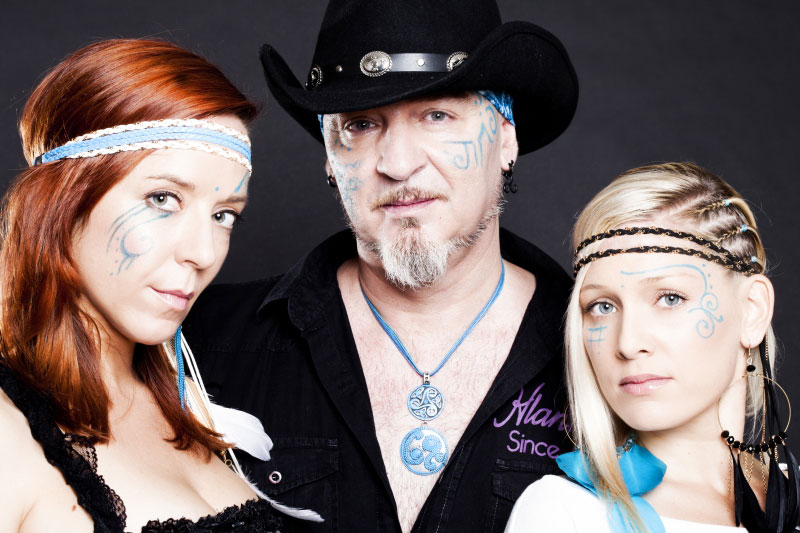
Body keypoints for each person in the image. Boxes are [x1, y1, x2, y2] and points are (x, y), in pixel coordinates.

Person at [183, 0, 579, 531]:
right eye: (362, 124)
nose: (397, 163)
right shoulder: (200, 346)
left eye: (437, 115)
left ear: (506, 137)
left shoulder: (602, 354)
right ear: (329, 157)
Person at [0, 38, 321, 531]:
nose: (204, 253)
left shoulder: (192, 403)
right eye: (163, 199)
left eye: (224, 215)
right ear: (63, 204)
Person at [506, 162, 800, 532]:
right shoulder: (564, 513)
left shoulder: (791, 497)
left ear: (752, 310)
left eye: (670, 298)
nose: (628, 344)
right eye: (602, 306)